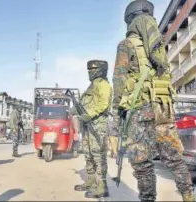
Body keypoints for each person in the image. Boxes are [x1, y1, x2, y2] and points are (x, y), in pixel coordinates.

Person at [112, 1, 195, 201]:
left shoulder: (126, 45)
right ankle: (188, 196)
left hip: (140, 110)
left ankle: (148, 198)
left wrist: (118, 111)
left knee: (142, 163)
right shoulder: (156, 44)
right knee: (175, 159)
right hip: (163, 107)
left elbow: (119, 80)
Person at [71, 60, 112, 198]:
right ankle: (91, 181)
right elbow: (83, 104)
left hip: (97, 125)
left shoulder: (103, 85)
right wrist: (72, 110)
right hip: (88, 125)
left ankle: (102, 186)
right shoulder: (91, 86)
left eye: (92, 69)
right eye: (88, 69)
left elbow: (103, 104)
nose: (90, 72)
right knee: (88, 154)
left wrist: (89, 115)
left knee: (98, 155)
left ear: (100, 70)